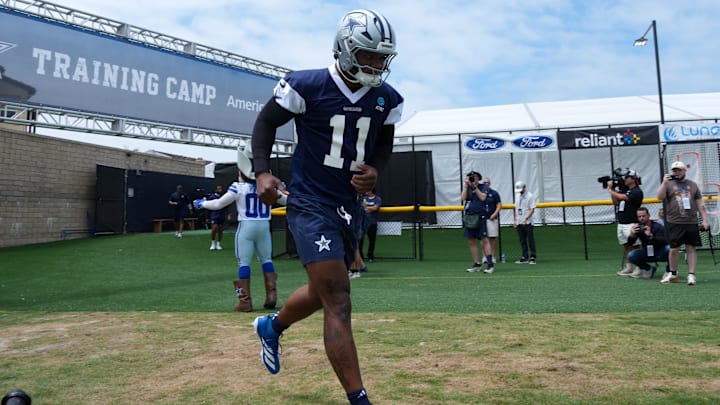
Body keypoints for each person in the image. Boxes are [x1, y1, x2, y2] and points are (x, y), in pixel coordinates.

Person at [249, 9, 402, 405]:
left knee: (324, 292)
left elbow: (383, 144)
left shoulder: (387, 98)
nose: (375, 64)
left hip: (348, 206)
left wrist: (375, 171)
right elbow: (265, 123)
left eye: (380, 57)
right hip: (310, 201)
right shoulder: (308, 84)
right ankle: (359, 398)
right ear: (346, 48)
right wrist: (262, 172)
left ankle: (272, 326)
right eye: (367, 55)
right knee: (339, 297)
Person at [194, 146, 287, 311]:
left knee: (244, 262)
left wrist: (201, 203)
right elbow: (287, 201)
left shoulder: (238, 187)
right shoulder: (268, 187)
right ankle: (271, 295)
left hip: (247, 226)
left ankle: (245, 301)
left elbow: (218, 204)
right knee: (266, 260)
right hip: (264, 226)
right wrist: (282, 191)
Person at [656, 161, 710, 285]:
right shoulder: (668, 184)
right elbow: (659, 197)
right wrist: (664, 183)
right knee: (674, 249)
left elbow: (700, 204)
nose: (677, 172)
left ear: (684, 171)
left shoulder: (693, 185)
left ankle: (691, 275)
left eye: (679, 170)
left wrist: (705, 220)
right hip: (674, 222)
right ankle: (673, 273)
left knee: (691, 247)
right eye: (675, 170)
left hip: (691, 221)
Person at [609, 169, 644, 277]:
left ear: (633, 179)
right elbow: (616, 201)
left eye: (627, 177)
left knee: (636, 245)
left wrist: (610, 189)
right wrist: (613, 191)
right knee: (627, 246)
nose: (624, 179)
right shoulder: (625, 190)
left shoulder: (636, 191)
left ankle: (639, 268)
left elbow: (622, 197)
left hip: (632, 223)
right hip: (622, 222)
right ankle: (629, 267)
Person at [626, 206, 669, 279]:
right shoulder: (638, 228)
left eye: (643, 216)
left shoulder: (657, 226)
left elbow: (665, 240)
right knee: (631, 255)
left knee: (670, 249)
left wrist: (652, 237)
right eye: (639, 217)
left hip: (660, 251)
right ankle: (649, 269)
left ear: (649, 216)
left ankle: (669, 271)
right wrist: (632, 235)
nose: (641, 218)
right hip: (647, 252)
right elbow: (630, 243)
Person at [462, 171, 488, 272]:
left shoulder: (483, 187)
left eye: (475, 177)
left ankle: (488, 260)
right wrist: (466, 185)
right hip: (470, 217)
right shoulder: (467, 188)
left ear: (478, 178)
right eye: (471, 177)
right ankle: (477, 263)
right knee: (471, 240)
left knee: (483, 240)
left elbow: (483, 197)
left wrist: (475, 187)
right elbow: (463, 198)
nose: (473, 179)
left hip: (480, 216)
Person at [481, 177, 502, 273]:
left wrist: (494, 214)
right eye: (484, 183)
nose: (486, 184)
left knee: (492, 238)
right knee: (483, 238)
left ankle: (492, 256)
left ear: (490, 184)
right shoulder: (480, 193)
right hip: (482, 218)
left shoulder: (494, 193)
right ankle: (485, 256)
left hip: (492, 218)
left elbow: (499, 205)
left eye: (488, 183)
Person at [513, 181, 537, 264]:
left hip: (528, 222)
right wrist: (515, 219)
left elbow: (532, 209)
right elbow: (516, 208)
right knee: (522, 240)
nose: (520, 191)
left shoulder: (530, 196)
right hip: (519, 221)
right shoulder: (517, 196)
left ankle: (533, 257)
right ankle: (524, 256)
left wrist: (526, 218)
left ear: (524, 187)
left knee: (530, 239)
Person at [359, 189, 381, 262]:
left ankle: (370, 256)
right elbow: (361, 207)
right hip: (363, 223)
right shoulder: (364, 198)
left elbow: (375, 208)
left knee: (372, 240)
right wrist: (368, 208)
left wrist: (366, 208)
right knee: (360, 240)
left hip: (372, 223)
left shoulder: (377, 199)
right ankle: (360, 256)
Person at [208, 184, 228, 251]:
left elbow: (226, 206)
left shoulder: (223, 197)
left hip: (221, 215)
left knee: (220, 230)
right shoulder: (211, 197)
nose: (220, 190)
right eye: (219, 189)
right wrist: (207, 216)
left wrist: (228, 214)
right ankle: (213, 243)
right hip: (214, 215)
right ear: (216, 190)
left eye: (221, 189)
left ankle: (218, 244)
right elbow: (208, 206)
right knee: (214, 228)